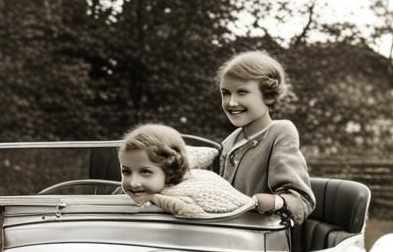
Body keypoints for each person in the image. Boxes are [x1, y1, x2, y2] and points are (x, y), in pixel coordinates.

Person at [215, 51, 314, 224]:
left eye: (242, 92)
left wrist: (275, 202)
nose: (231, 102)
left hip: (262, 239)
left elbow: (301, 201)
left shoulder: (280, 132)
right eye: (226, 93)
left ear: (268, 96)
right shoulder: (228, 143)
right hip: (224, 232)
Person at [118, 123, 255, 218]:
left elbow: (193, 213)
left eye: (145, 172)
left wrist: (154, 198)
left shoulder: (184, 192)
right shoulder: (150, 188)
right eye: (126, 172)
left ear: (169, 170)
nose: (133, 183)